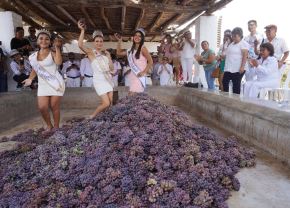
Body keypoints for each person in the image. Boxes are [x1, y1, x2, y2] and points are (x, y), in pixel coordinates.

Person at [22, 30, 65, 131]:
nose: (44, 41)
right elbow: (35, 69)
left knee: (54, 106)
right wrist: (30, 79)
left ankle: (56, 127)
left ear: (50, 42)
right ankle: (49, 125)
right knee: (42, 107)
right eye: (41, 38)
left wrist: (58, 48)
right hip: (43, 85)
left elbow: (58, 62)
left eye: (47, 39)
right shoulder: (32, 56)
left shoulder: (53, 53)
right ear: (37, 41)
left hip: (56, 83)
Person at [78, 20, 114, 118]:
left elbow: (111, 68)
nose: (99, 43)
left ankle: (105, 118)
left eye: (101, 41)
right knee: (106, 103)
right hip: (99, 81)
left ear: (103, 42)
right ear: (94, 42)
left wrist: (109, 56)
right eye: (97, 41)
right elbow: (80, 45)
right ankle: (92, 116)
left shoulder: (106, 55)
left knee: (110, 103)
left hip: (108, 79)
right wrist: (82, 31)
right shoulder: (91, 53)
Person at [115, 28, 153, 95]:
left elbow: (150, 61)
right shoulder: (130, 50)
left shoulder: (143, 48)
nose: (137, 37)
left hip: (139, 75)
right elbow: (118, 53)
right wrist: (119, 41)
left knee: (131, 95)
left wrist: (144, 72)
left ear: (142, 38)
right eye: (136, 35)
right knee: (134, 97)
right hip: (132, 75)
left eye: (139, 36)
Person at [223, 27, 249, 94]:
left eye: (235, 36)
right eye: (232, 36)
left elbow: (245, 55)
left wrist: (242, 67)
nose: (233, 37)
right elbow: (227, 53)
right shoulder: (231, 44)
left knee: (236, 85)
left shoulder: (243, 43)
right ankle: (225, 98)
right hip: (229, 67)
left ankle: (236, 101)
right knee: (224, 81)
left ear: (240, 36)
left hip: (238, 68)